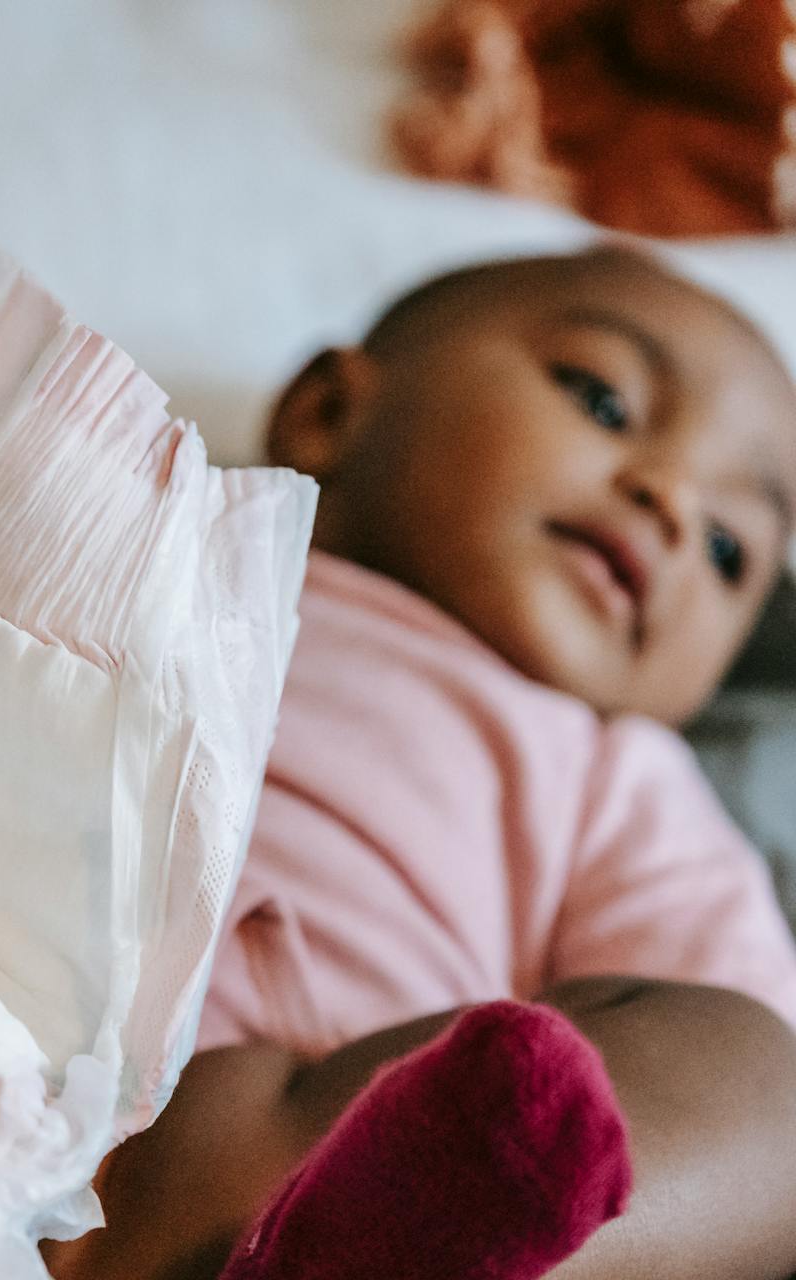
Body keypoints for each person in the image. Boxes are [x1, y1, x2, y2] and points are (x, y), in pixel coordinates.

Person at [43, 246, 796, 1279]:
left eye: (727, 547)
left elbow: (702, 1068)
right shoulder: (171, 541)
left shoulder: (611, 769)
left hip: (294, 1160)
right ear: (329, 415)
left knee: (759, 1077)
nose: (670, 500)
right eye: (604, 400)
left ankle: (382, 1256)